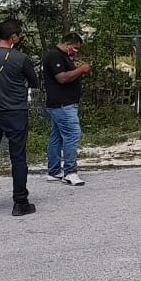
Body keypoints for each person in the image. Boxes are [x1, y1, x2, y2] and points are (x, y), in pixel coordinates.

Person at [0, 18, 41, 216]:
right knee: (18, 157)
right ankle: (20, 202)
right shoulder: (20, 58)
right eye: (17, 35)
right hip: (15, 111)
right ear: (13, 36)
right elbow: (34, 82)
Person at [42, 33, 90, 186]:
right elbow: (62, 78)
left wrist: (74, 64)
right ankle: (70, 171)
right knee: (72, 134)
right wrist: (81, 69)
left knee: (56, 136)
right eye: (75, 48)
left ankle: (54, 171)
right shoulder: (54, 56)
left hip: (62, 104)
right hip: (63, 104)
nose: (76, 51)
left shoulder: (64, 57)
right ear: (69, 44)